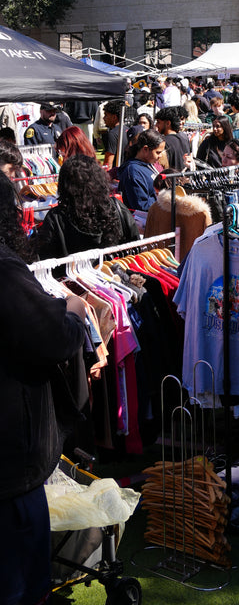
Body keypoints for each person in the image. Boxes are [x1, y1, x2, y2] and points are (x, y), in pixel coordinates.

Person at [0, 171, 86, 605]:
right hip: (10, 463)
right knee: (19, 585)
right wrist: (73, 311)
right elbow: (50, 338)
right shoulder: (4, 269)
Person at [35, 153, 139, 259]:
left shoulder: (56, 218)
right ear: (99, 180)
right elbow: (136, 248)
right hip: (114, 271)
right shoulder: (116, 207)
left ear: (64, 185)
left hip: (73, 274)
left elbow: (46, 261)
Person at [116, 130, 166, 214]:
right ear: (145, 149)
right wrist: (164, 200)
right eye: (158, 152)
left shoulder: (148, 165)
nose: (160, 156)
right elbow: (140, 205)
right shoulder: (133, 171)